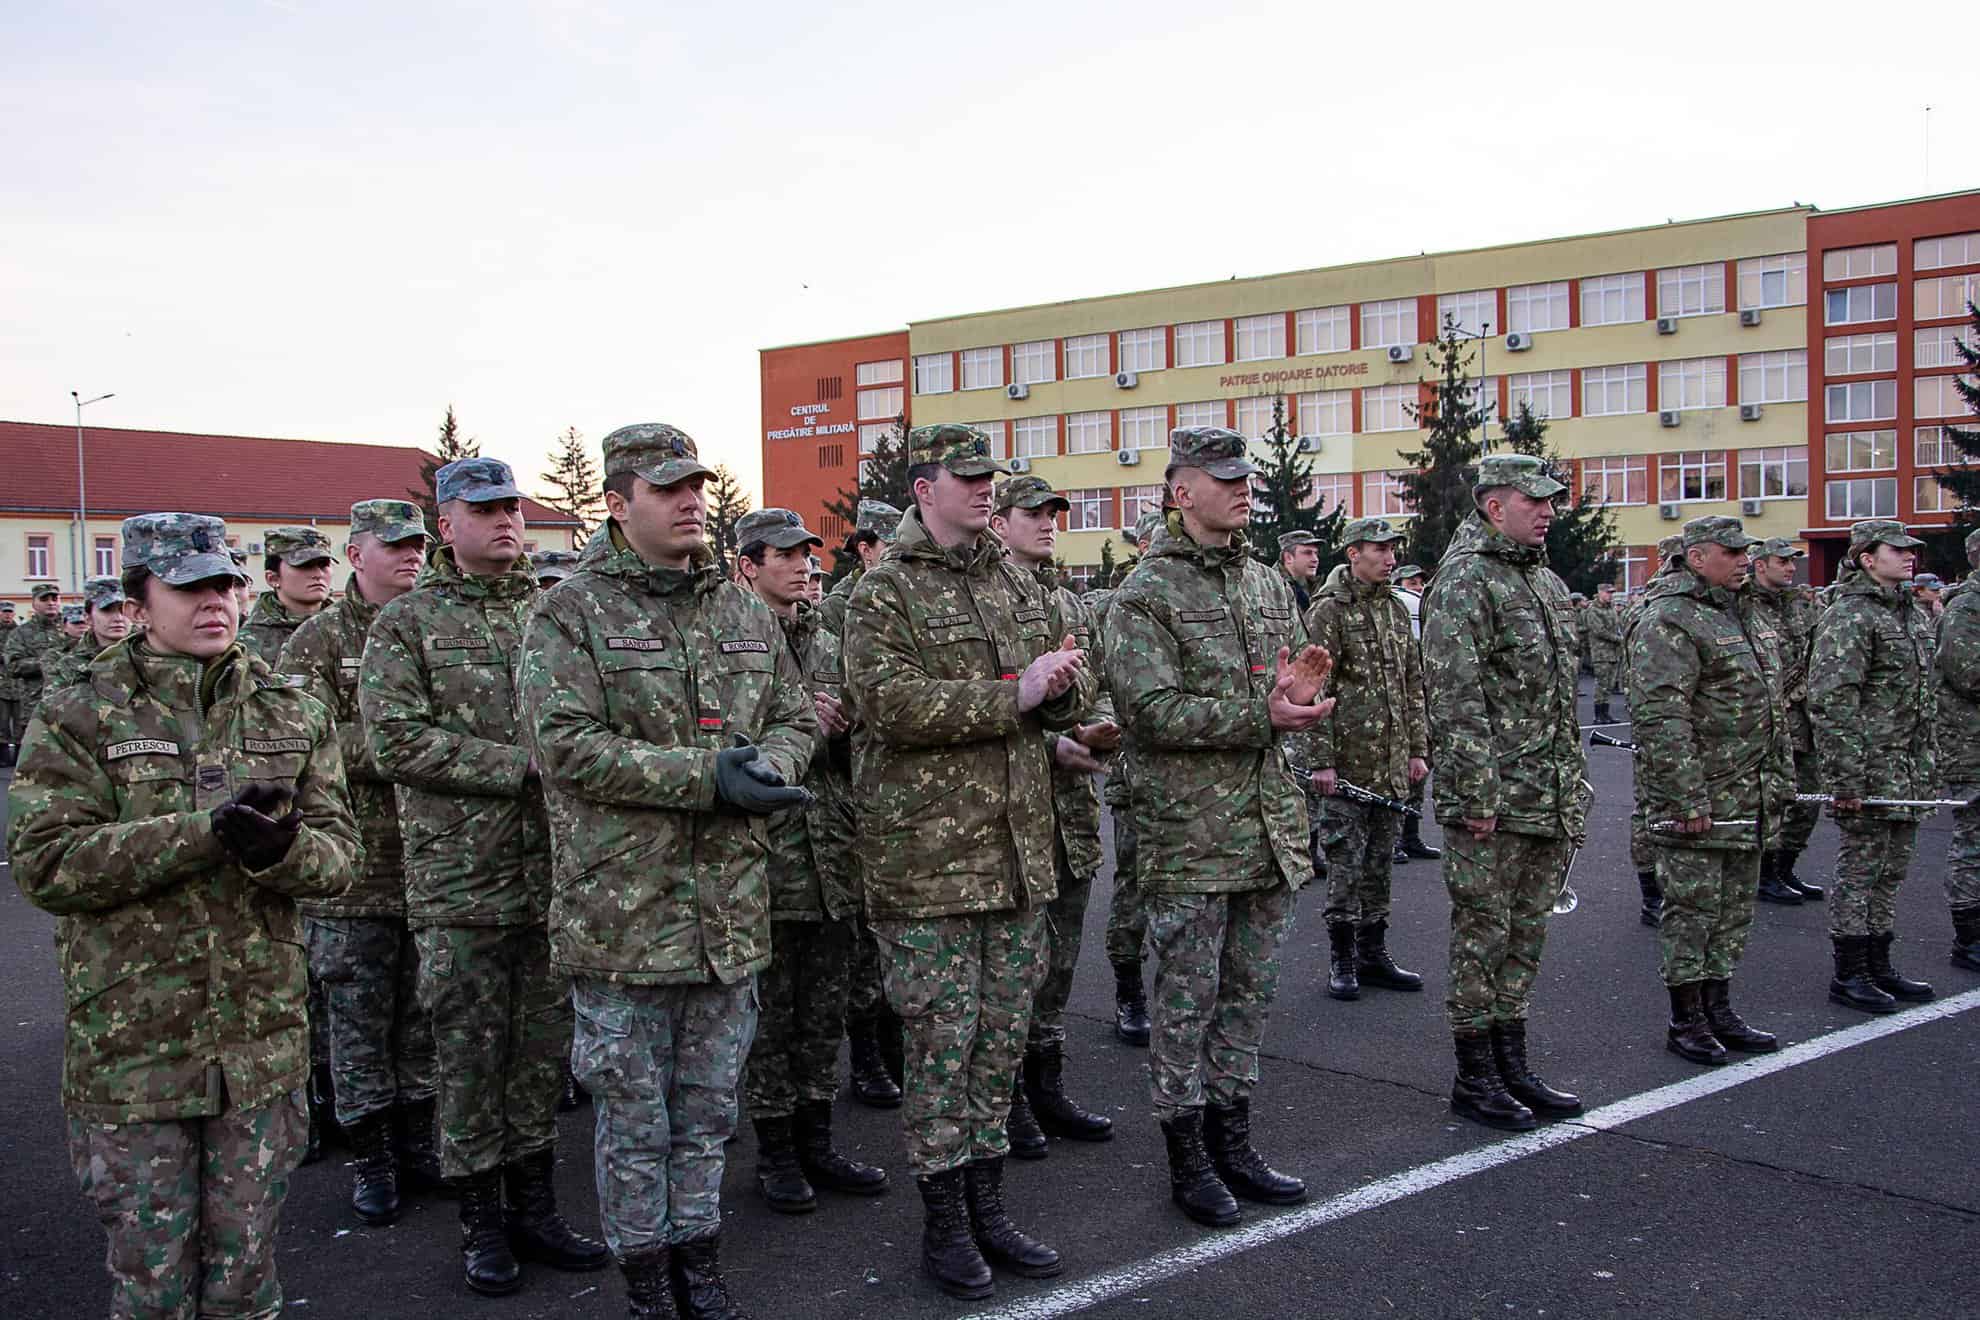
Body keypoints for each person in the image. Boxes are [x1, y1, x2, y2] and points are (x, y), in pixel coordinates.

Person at [8, 512, 360, 1319]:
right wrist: (198, 836)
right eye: (190, 586)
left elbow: (342, 857)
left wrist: (283, 855)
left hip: (260, 1046)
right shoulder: (79, 713)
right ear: (140, 598)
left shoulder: (291, 708)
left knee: (246, 1281)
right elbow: (46, 863)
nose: (217, 602)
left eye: (227, 584)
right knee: (153, 1288)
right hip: (136, 1050)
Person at [520, 431, 820, 1319]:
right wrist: (706, 778)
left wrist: (769, 761)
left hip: (727, 914)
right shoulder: (568, 614)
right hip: (625, 918)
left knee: (706, 1116)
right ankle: (647, 1281)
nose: (692, 501)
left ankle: (701, 1260)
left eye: (697, 486)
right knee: (633, 1123)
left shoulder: (741, 609)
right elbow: (563, 747)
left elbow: (796, 714)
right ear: (619, 503)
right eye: (668, 489)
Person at [843, 424, 1093, 1299]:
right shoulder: (883, 593)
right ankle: (944, 1225)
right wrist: (1012, 694)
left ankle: (989, 1207)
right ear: (924, 488)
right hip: (931, 867)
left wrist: (1068, 713)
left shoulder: (1015, 582)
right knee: (943, 1049)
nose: (987, 490)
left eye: (992, 476)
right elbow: (888, 704)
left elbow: (1053, 697)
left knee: (997, 1045)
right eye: (969, 477)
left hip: (1017, 857)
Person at [361, 457, 606, 1295]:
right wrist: (518, 766)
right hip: (461, 880)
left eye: (512, 507)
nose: (507, 521)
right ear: (445, 525)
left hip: (556, 873)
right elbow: (393, 741)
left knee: (539, 1052)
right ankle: (481, 1221)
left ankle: (535, 1207)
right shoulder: (407, 624)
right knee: (467, 1052)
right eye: (486, 508)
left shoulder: (556, 612)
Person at [1106, 427, 1327, 1230]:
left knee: (1248, 997)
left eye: (1245, 478)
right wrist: (1259, 716)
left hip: (1267, 827)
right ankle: (1187, 1154)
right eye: (1222, 478)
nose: (1241, 490)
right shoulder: (1147, 593)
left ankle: (1234, 1139)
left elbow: (1280, 681)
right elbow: (1147, 713)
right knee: (1185, 1003)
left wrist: (1297, 698)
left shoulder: (1268, 584)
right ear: (1179, 492)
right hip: (1192, 836)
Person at [279, 500, 441, 1225]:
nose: (412, 557)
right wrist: (421, 746)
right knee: (355, 1020)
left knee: (421, 1018)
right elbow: (307, 746)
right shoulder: (316, 642)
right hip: (356, 868)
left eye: (419, 545)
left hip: (437, 859)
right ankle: (372, 1160)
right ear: (356, 556)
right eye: (396, 546)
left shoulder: (437, 625)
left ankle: (419, 1147)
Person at [728, 506, 888, 1218]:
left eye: (807, 555)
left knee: (824, 1008)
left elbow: (867, 731)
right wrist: (801, 730)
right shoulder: (730, 641)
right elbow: (723, 741)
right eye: (785, 556)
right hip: (768, 858)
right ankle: (777, 1152)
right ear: (748, 566)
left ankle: (817, 1137)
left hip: (834, 851)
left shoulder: (831, 637)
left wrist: (848, 728)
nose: (803, 566)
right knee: (771, 1017)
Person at [1420, 453, 1586, 1132]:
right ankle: (1475, 1074)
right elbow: (1454, 700)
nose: (1548, 512)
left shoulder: (1541, 582)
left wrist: (1570, 785)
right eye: (1534, 501)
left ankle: (1512, 1059)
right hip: (1492, 798)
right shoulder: (1465, 582)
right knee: (1482, 935)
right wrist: (1474, 796)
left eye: (1551, 501)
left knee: (1525, 934)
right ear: (1494, 506)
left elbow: (1560, 702)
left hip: (1544, 792)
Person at [1627, 517, 1792, 1065]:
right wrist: (1684, 798)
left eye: (1746, 551)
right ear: (1698, 558)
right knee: (1692, 910)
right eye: (1732, 552)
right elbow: (1662, 717)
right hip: (1704, 793)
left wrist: (1782, 783)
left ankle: (1719, 1006)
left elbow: (1774, 707)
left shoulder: (1747, 614)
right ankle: (1687, 1018)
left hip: (1752, 793)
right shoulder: (1670, 619)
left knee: (1734, 910)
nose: (1745, 559)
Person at [990, 475, 1118, 1152]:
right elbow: (998, 705)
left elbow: (1091, 689)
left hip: (1070, 813)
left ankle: (1047, 1083)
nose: (1047, 523)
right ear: (999, 523)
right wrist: (1054, 744)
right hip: (1016, 816)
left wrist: (1099, 729)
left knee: (1060, 960)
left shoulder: (1070, 602)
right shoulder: (990, 600)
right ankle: (1006, 1096)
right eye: (1033, 513)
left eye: (1054, 513)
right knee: (1016, 965)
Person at [1810, 519, 1939, 1014]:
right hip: (1868, 766)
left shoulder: (1909, 612)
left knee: (1892, 870)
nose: (1910, 557)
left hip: (1906, 767)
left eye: (1912, 550)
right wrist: (1845, 777)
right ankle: (1850, 971)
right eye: (1897, 550)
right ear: (1867, 558)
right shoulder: (1852, 615)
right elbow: (1832, 700)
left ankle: (1880, 962)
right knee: (1861, 869)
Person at [1304, 517, 1428, 1001]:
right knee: (1345, 862)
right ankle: (1342, 957)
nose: (1391, 557)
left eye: (1394, 549)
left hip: (1391, 764)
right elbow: (1314, 690)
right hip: (1348, 765)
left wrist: (1418, 749)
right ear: (1354, 553)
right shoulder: (1328, 612)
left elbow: (1411, 684)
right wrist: (1321, 760)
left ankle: (1374, 952)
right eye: (1380, 549)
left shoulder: (1396, 610)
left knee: (1380, 862)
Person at [819, 498, 907, 1110]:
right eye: (872, 543)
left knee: (888, 942)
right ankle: (866, 1058)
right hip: (836, 793)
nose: (882, 553)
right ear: (861, 549)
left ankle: (889, 1050)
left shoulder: (908, 595)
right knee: (848, 949)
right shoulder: (833, 613)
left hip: (887, 801)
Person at [1104, 509, 1163, 1046]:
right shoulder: (1121, 604)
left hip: (1194, 787)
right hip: (1136, 774)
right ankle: (1129, 988)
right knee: (1135, 886)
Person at [1743, 538, 1826, 904]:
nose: (1792, 568)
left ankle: (1785, 866)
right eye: (1783, 561)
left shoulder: (1799, 604)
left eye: (1794, 562)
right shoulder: (1742, 604)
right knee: (1771, 798)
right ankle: (1764, 873)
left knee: (1807, 797)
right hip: (1765, 718)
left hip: (1802, 716)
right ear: (1760, 565)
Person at [1934, 526, 1980, 973]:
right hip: (1970, 742)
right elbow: (1968, 673)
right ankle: (1968, 937)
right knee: (1974, 841)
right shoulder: (1966, 608)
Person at [238, 527, 337, 666]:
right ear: (273, 578)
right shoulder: (248, 643)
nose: (318, 574)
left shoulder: (351, 628)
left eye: (324, 565)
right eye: (305, 565)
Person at [2, 583, 68, 750]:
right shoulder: (21, 633)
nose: (51, 602)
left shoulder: (70, 629)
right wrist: (45, 662)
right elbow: (13, 666)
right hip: (35, 707)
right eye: (44, 599)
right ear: (34, 603)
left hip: (70, 707)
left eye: (55, 598)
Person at [43, 577, 132, 693]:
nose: (118, 618)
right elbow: (52, 708)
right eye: (107, 610)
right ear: (88, 617)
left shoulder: (150, 655)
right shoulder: (68, 666)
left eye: (123, 610)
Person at [1584, 581, 1625, 725]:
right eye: (1608, 593)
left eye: (1612, 593)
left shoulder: (1611, 608)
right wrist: (1619, 639)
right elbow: (1598, 631)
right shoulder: (1593, 610)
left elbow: (1616, 626)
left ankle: (1606, 714)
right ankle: (1598, 715)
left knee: (1609, 686)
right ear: (1600, 592)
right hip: (1601, 653)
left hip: (1613, 652)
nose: (1610, 596)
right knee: (1601, 685)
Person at [1277, 530, 1321, 611]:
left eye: (1316, 553)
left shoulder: (1316, 587)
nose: (1315, 559)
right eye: (1308, 553)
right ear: (1288, 557)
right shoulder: (1272, 587)